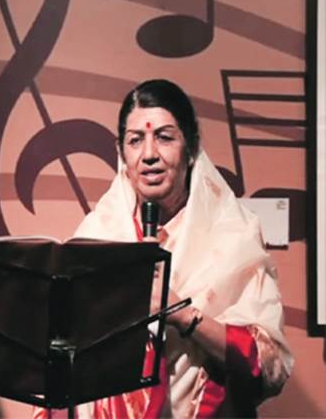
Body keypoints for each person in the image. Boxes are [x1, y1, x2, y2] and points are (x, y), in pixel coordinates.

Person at [36, 79, 293, 418]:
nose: (149, 155)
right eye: (135, 140)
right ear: (121, 153)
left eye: (164, 137)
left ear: (191, 147)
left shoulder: (233, 236)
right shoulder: (97, 235)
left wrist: (182, 314)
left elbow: (269, 364)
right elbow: (62, 362)